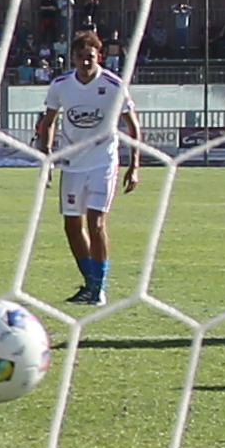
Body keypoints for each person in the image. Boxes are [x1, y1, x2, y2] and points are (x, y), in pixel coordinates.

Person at [32, 30, 140, 308]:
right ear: (73, 58)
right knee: (71, 225)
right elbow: (49, 120)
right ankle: (90, 283)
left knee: (96, 222)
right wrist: (47, 156)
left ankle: (99, 287)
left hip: (103, 162)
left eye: (90, 57)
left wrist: (134, 165)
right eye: (80, 57)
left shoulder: (114, 85)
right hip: (72, 164)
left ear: (98, 56)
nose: (85, 62)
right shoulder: (60, 85)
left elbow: (132, 126)